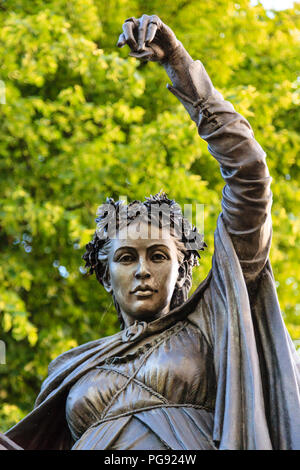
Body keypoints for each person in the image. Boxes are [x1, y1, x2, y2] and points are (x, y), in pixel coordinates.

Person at [4, 15, 300, 450]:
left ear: (182, 272)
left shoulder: (211, 323)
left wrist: (180, 66)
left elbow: (250, 176)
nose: (143, 269)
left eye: (158, 255)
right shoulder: (71, 367)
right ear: (105, 275)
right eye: (126, 258)